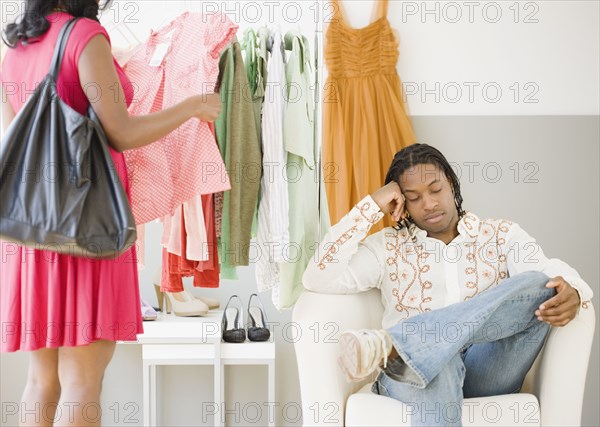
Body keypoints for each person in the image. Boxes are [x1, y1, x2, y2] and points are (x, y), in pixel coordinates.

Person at [0, 1, 220, 426]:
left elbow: (14, 136)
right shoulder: (84, 36)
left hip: (32, 233)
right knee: (83, 380)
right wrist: (192, 106)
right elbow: (121, 132)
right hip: (88, 227)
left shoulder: (17, 48)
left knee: (40, 380)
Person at [303, 143, 593, 426]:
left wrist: (575, 290)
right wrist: (371, 207)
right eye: (413, 197)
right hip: (412, 375)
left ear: (452, 184)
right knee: (435, 363)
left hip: (487, 369)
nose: (428, 204)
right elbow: (318, 276)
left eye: (435, 189)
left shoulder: (500, 235)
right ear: (399, 202)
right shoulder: (387, 247)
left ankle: (400, 345)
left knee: (539, 283)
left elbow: (547, 272)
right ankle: (411, 352)